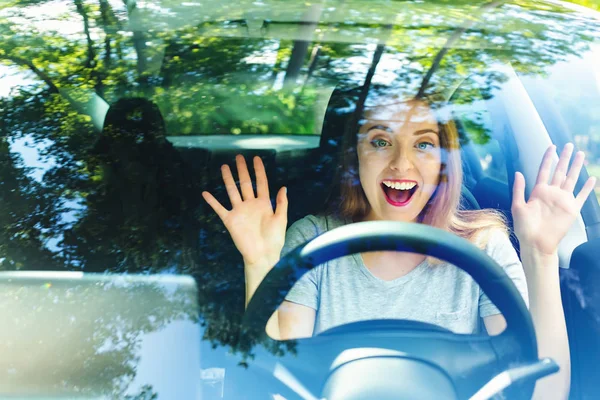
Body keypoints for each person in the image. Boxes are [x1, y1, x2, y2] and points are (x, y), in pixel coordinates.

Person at [201, 96, 597, 400]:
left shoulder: (485, 247)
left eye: (423, 145)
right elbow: (276, 385)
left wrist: (541, 254)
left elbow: (543, 392)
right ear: (355, 157)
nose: (401, 165)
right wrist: (260, 262)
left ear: (445, 163)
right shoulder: (310, 241)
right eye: (380, 141)